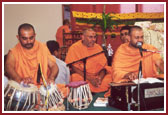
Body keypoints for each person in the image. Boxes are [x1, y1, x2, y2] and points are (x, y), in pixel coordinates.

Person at [65, 28, 112, 93]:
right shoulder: (74, 48)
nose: (93, 40)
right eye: (90, 37)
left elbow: (103, 68)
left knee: (111, 77)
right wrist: (90, 79)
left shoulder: (98, 48)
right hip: (83, 76)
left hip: (97, 77)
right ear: (83, 37)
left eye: (95, 37)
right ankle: (90, 90)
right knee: (75, 77)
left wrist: (99, 78)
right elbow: (73, 68)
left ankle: (90, 89)